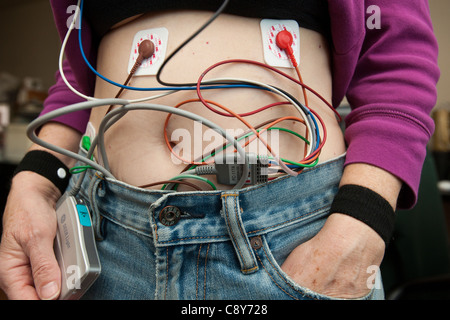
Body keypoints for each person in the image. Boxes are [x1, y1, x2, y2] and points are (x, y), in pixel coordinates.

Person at [0, 0, 439, 300]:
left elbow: (397, 59)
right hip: (106, 236)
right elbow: (77, 74)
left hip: (291, 236)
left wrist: (362, 224)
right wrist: (35, 181)